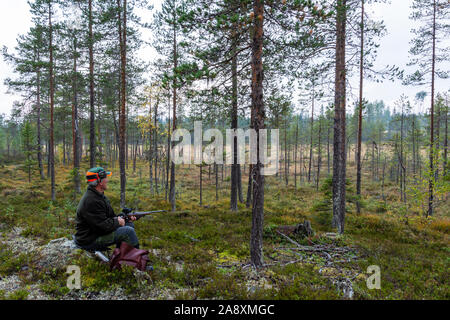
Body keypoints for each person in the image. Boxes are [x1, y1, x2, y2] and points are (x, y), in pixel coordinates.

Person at [74, 167, 140, 251]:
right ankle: (137, 261)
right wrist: (118, 221)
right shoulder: (91, 200)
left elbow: (107, 218)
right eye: (105, 178)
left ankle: (121, 256)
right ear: (99, 181)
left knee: (129, 225)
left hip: (95, 233)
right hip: (89, 240)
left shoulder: (98, 195)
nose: (107, 180)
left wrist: (124, 216)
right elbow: (103, 227)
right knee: (128, 232)